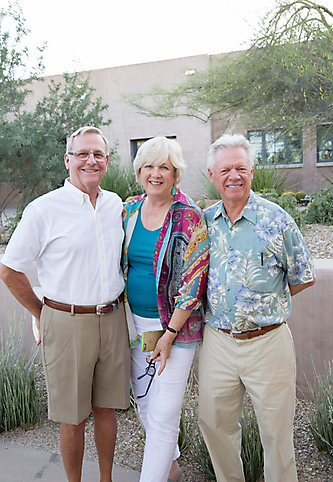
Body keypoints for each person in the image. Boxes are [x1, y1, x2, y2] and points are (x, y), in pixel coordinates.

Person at [0, 126, 130, 482]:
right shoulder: (43, 210)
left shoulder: (115, 204)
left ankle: (106, 479)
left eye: (98, 154)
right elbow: (9, 270)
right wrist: (42, 313)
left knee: (106, 410)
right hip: (66, 322)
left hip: (113, 317)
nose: (91, 161)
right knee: (73, 418)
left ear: (106, 160)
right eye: (83, 154)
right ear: (67, 159)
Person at [199, 134, 316, 482]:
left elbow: (302, 276)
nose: (233, 175)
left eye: (240, 168)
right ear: (211, 174)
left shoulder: (277, 220)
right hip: (217, 342)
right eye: (225, 169)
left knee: (277, 432)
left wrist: (265, 306)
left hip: (268, 343)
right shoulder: (202, 223)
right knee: (214, 423)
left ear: (252, 171)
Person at [122, 136, 210, 482]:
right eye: (148, 166)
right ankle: (170, 470)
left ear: (176, 174)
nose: (155, 173)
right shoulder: (129, 209)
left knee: (164, 413)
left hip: (177, 330)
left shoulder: (189, 216)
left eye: (164, 167)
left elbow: (193, 283)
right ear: (139, 171)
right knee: (145, 403)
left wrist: (171, 333)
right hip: (133, 325)